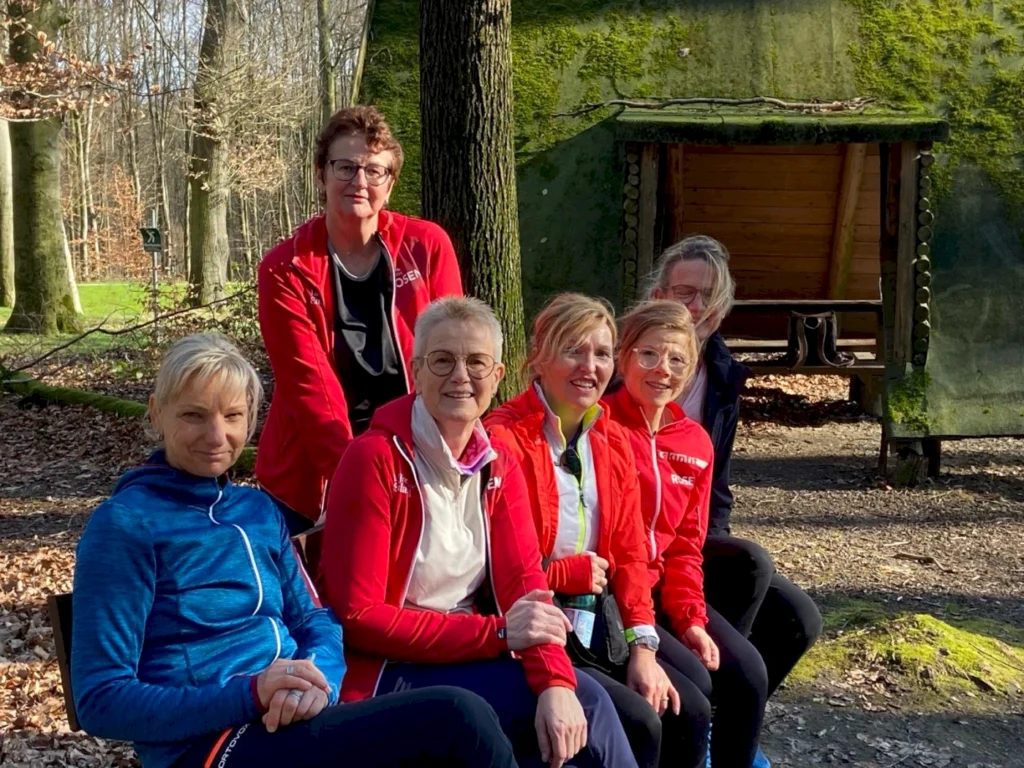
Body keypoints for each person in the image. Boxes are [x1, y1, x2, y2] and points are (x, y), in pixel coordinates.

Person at [71, 333, 520, 768]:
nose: (216, 434)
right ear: (157, 412)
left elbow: (315, 619)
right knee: (457, 719)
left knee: (515, 714)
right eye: (194, 415)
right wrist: (252, 693)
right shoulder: (126, 524)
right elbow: (100, 699)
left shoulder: (257, 511)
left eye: (233, 416)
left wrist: (318, 683)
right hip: (208, 746)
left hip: (295, 719)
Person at [321, 297, 638, 768]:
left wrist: (554, 681)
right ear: (416, 371)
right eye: (442, 360)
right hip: (393, 667)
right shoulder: (374, 460)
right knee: (534, 724)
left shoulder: (496, 461)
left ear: (497, 375)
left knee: (586, 705)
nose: (460, 376)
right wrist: (499, 633)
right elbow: (360, 617)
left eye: (476, 362)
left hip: (472, 649)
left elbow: (525, 583)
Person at [486, 294, 708, 768]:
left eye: (602, 353)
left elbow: (630, 555)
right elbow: (496, 566)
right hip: (533, 621)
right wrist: (562, 573)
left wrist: (643, 647)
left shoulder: (611, 438)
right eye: (574, 350)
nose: (590, 367)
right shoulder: (505, 438)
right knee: (641, 722)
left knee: (689, 710)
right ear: (539, 358)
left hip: (596, 618)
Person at [649, 235, 824, 766]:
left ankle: (728, 725)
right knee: (750, 566)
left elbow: (716, 485)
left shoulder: (723, 378)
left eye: (708, 296)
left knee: (799, 619)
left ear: (723, 308)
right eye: (683, 292)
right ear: (659, 295)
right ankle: (718, 711)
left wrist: (707, 541)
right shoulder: (630, 366)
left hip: (692, 535)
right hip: (640, 548)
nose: (695, 306)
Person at [257, 105, 463, 534]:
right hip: (310, 472)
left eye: (374, 170)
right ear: (321, 175)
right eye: (345, 167)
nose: (360, 182)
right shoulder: (284, 268)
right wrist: (358, 481)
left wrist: (435, 464)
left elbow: (451, 360)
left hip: (419, 458)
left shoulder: (427, 247)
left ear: (391, 183)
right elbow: (308, 385)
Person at [605, 300, 772, 767]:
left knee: (749, 675)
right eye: (649, 354)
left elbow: (685, 547)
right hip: (616, 594)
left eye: (677, 359)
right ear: (624, 358)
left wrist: (691, 619)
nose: (663, 369)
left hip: (661, 588)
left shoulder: (693, 440)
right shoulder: (601, 426)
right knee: (691, 698)